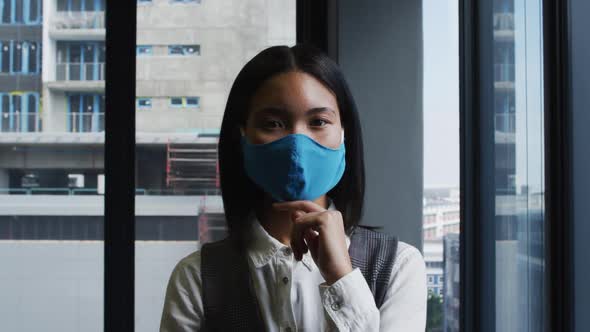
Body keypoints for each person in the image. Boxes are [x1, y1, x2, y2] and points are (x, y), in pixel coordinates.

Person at [159, 44, 427, 331]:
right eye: (274, 123)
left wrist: (342, 278)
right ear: (242, 135)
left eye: (319, 122)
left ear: (343, 133)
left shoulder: (397, 267)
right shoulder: (198, 278)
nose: (297, 144)